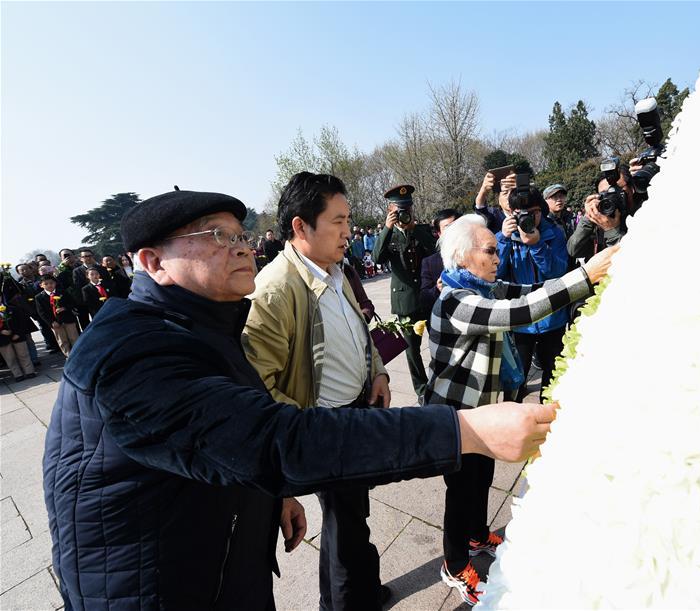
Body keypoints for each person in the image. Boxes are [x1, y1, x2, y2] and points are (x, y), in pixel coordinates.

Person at [43, 188, 556, 610]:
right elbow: (269, 440)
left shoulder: (207, 324)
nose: (243, 247)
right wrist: (463, 430)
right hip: (156, 589)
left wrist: (270, 497)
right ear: (153, 261)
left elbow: (231, 434)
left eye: (241, 235)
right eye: (218, 237)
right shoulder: (131, 349)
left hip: (223, 563)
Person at [425, 214, 619, 605]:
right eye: (491, 251)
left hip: (484, 411)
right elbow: (520, 311)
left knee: (482, 477)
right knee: (461, 493)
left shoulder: (486, 287)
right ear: (463, 257)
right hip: (456, 417)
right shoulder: (457, 301)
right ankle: (454, 562)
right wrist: (583, 279)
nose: (499, 257)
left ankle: (478, 535)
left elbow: (529, 290)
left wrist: (584, 274)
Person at [244, 172, 393, 609]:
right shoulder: (275, 290)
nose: (348, 231)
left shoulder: (334, 270)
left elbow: (359, 331)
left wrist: (379, 371)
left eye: (348, 220)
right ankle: (349, 601)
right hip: (325, 425)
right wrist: (313, 428)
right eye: (338, 220)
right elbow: (259, 388)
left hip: (356, 409)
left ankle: (362, 588)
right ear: (300, 226)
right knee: (346, 524)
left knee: (350, 517)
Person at [495, 183, 570, 402]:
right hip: (520, 319)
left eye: (534, 213)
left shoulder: (553, 233)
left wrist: (537, 245)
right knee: (516, 375)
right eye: (521, 214)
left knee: (552, 372)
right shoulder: (504, 236)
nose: (529, 218)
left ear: (541, 211)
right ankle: (512, 418)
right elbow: (495, 273)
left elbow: (557, 271)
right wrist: (502, 240)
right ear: (512, 214)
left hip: (552, 317)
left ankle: (547, 416)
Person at [372, 185, 437, 398]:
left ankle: (440, 382)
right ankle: (422, 390)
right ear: (390, 210)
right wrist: (387, 229)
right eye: (399, 209)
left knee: (439, 343)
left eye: (407, 207)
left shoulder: (421, 230)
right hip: (405, 302)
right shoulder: (388, 236)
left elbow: (435, 250)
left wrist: (415, 228)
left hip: (428, 296)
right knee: (412, 350)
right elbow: (377, 259)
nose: (404, 213)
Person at [567, 161, 640, 259]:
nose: (611, 198)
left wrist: (612, 231)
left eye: (618, 190)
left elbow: (632, 261)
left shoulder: (643, 217)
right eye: (605, 194)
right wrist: (588, 218)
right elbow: (573, 251)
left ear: (632, 188)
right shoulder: (598, 221)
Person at [420, 208, 460, 319]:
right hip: (447, 321)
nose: (452, 231)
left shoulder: (476, 254)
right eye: (447, 228)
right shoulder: (429, 262)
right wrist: (437, 288)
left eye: (455, 226)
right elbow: (424, 297)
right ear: (439, 233)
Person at [35, 274, 80, 356]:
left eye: (51, 283)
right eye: (46, 284)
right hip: (55, 323)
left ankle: (78, 355)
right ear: (41, 285)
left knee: (74, 338)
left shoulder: (62, 292)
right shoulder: (39, 297)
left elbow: (73, 303)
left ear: (55, 283)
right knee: (63, 341)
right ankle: (69, 356)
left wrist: (65, 308)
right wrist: (51, 322)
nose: (49, 285)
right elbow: (42, 312)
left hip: (68, 319)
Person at [72, 248, 113, 330]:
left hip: (104, 299)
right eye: (84, 256)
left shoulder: (101, 268)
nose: (87, 258)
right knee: (87, 325)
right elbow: (77, 287)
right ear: (81, 258)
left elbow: (109, 283)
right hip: (87, 300)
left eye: (89, 256)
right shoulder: (77, 271)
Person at [0, 298, 37, 382]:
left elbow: (22, 322)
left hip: (18, 336)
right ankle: (17, 375)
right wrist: (1, 331)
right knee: (10, 358)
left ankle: (29, 372)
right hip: (2, 339)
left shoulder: (13, 309)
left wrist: (18, 333)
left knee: (23, 354)